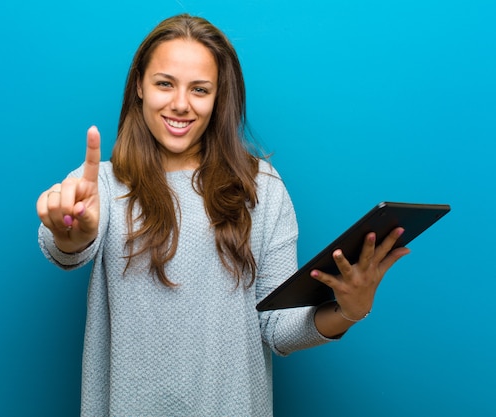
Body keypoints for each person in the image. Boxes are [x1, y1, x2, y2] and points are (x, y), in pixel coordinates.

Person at [36, 13, 409, 416]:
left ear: (218, 98)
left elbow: (279, 329)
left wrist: (349, 310)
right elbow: (65, 246)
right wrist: (71, 233)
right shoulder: (103, 185)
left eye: (200, 89)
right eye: (165, 83)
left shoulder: (260, 186)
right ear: (139, 86)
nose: (180, 104)